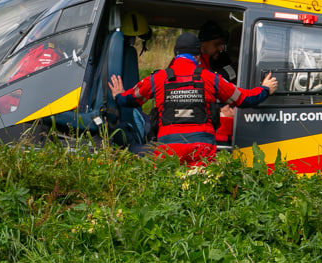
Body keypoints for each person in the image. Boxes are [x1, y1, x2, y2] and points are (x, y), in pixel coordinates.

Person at [108, 32, 278, 166]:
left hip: (168, 149)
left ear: (175, 54)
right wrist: (265, 89)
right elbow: (244, 99)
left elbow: (130, 99)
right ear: (197, 56)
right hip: (201, 149)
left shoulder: (158, 78)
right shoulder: (210, 78)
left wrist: (118, 95)